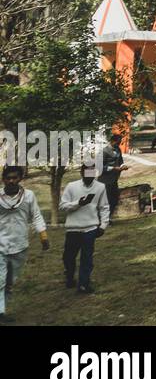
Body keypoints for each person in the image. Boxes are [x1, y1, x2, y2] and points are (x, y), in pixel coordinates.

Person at [0, 166, 49, 323]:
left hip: (20, 245)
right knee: (0, 280)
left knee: (10, 281)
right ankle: (0, 312)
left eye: (15, 177)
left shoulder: (28, 196)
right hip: (0, 244)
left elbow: (36, 216)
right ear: (3, 180)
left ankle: (3, 307)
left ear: (20, 178)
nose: (11, 180)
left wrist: (43, 236)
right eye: (8, 178)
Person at [60, 160, 110, 292]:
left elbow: (104, 207)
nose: (89, 176)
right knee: (68, 257)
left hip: (90, 228)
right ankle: (70, 276)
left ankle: (83, 284)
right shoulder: (72, 186)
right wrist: (78, 203)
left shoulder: (100, 187)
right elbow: (63, 206)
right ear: (81, 173)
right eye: (86, 173)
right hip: (73, 228)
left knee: (86, 258)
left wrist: (103, 225)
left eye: (92, 173)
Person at [99, 133, 128, 216]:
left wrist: (123, 166)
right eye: (117, 142)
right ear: (112, 141)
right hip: (104, 180)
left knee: (115, 199)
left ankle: (108, 217)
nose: (119, 144)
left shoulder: (118, 149)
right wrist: (113, 168)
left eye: (120, 142)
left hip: (114, 179)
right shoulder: (104, 151)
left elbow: (120, 161)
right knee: (106, 200)